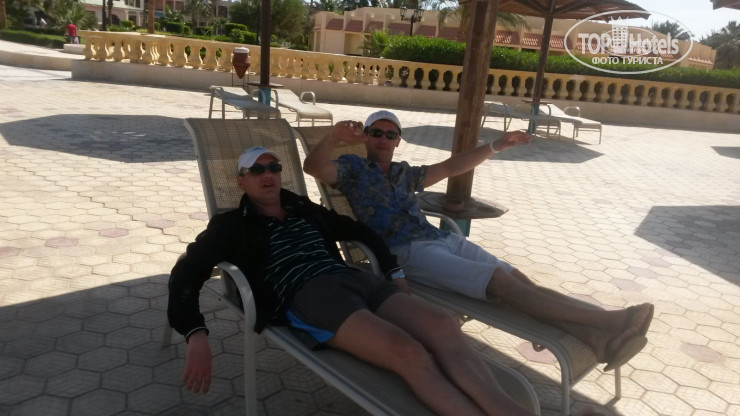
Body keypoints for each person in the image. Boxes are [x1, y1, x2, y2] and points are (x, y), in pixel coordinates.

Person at [168, 146, 537, 415]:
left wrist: (393, 271)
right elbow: (186, 272)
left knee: (443, 325)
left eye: (274, 167)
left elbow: (359, 230)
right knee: (409, 352)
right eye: (257, 170)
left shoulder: (302, 208)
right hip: (309, 293)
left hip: (352, 278)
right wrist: (195, 332)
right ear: (241, 181)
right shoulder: (230, 225)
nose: (268, 174)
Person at [303, 110, 655, 371]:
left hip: (440, 237)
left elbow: (451, 166)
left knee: (518, 280)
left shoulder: (404, 173)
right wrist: (333, 138)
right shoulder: (351, 169)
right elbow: (313, 167)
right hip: (406, 252)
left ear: (398, 140)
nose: (382, 138)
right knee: (501, 282)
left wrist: (495, 146)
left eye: (390, 134)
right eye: (375, 132)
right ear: (366, 138)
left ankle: (598, 341)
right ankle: (609, 321)